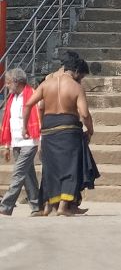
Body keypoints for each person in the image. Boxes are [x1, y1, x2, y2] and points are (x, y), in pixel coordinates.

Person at [22, 56, 98, 217]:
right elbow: (84, 113)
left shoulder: (46, 84)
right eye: (82, 76)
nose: (81, 79)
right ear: (76, 71)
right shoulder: (76, 87)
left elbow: (29, 104)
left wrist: (25, 128)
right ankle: (63, 207)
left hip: (49, 129)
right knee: (70, 168)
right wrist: (90, 130)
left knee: (51, 168)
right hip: (68, 128)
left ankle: (49, 205)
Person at [0, 68, 41, 216]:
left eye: (9, 82)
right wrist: (7, 146)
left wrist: (41, 142)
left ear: (17, 82)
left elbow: (39, 118)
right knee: (27, 175)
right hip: (16, 141)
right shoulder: (12, 98)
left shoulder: (33, 95)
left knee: (18, 174)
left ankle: (6, 206)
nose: (7, 86)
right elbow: (9, 121)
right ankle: (37, 206)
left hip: (30, 141)